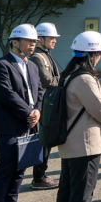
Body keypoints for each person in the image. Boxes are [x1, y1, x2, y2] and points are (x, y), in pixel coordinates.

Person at [51, 31, 101, 202]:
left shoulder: (68, 75)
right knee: (84, 192)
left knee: (67, 190)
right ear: (93, 54)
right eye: (98, 53)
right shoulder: (85, 78)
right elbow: (99, 109)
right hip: (85, 143)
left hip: (70, 142)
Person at [0, 23, 44, 202]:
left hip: (29, 123)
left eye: (34, 41)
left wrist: (37, 110)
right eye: (29, 41)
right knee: (5, 169)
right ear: (15, 41)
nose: (32, 45)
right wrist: (28, 113)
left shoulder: (32, 65)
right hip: (9, 125)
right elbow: (6, 94)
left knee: (20, 169)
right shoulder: (0, 65)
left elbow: (38, 92)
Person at [29, 23, 62, 190]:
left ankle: (40, 176)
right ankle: (39, 178)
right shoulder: (37, 57)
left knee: (46, 143)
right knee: (44, 142)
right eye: (51, 38)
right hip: (43, 106)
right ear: (40, 39)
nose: (54, 40)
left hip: (47, 104)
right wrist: (65, 80)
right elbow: (47, 81)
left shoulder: (45, 54)